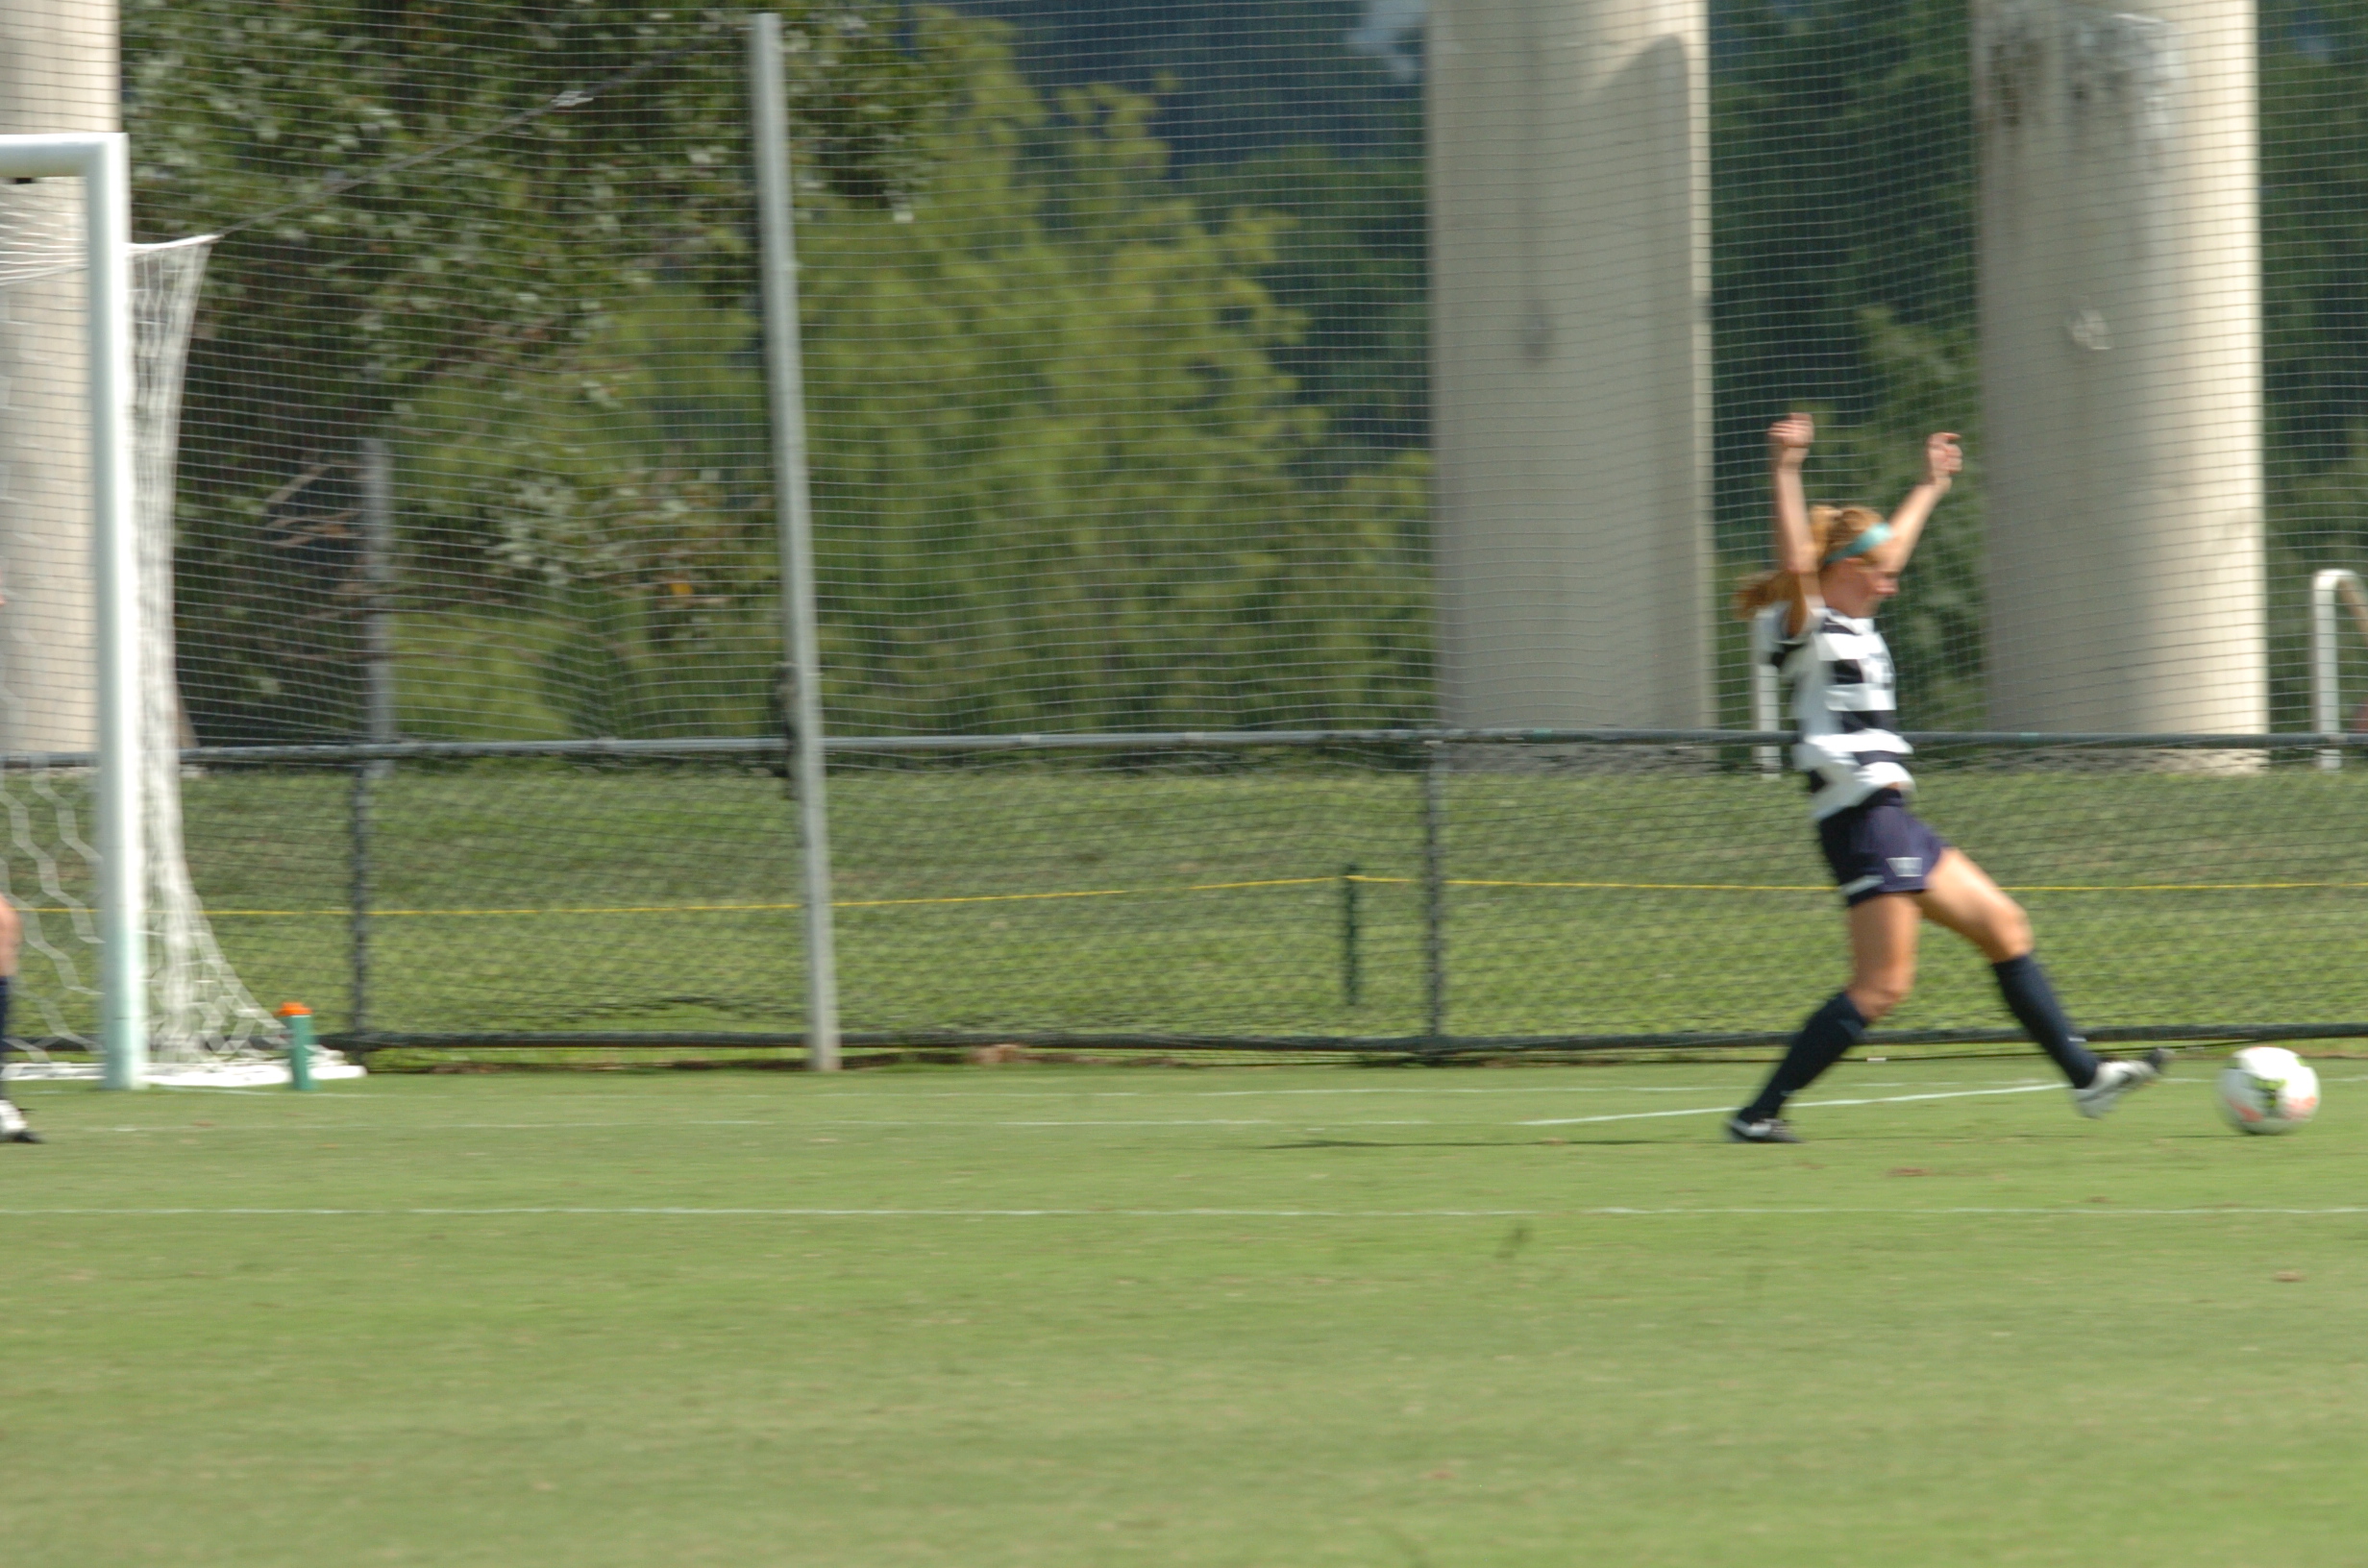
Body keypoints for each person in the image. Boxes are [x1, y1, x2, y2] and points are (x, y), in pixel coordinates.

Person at [1725, 412, 2165, 1143]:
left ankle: (2087, 1079)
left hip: (1891, 817)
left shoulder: (1856, 619)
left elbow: (1886, 546)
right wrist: (1785, 468)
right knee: (1882, 986)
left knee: (2004, 926)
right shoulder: (1804, 625)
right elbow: (1800, 566)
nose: (1892, 584)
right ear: (1844, 570)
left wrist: (1930, 485)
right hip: (1861, 819)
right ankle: (1757, 1115)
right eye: (1881, 574)